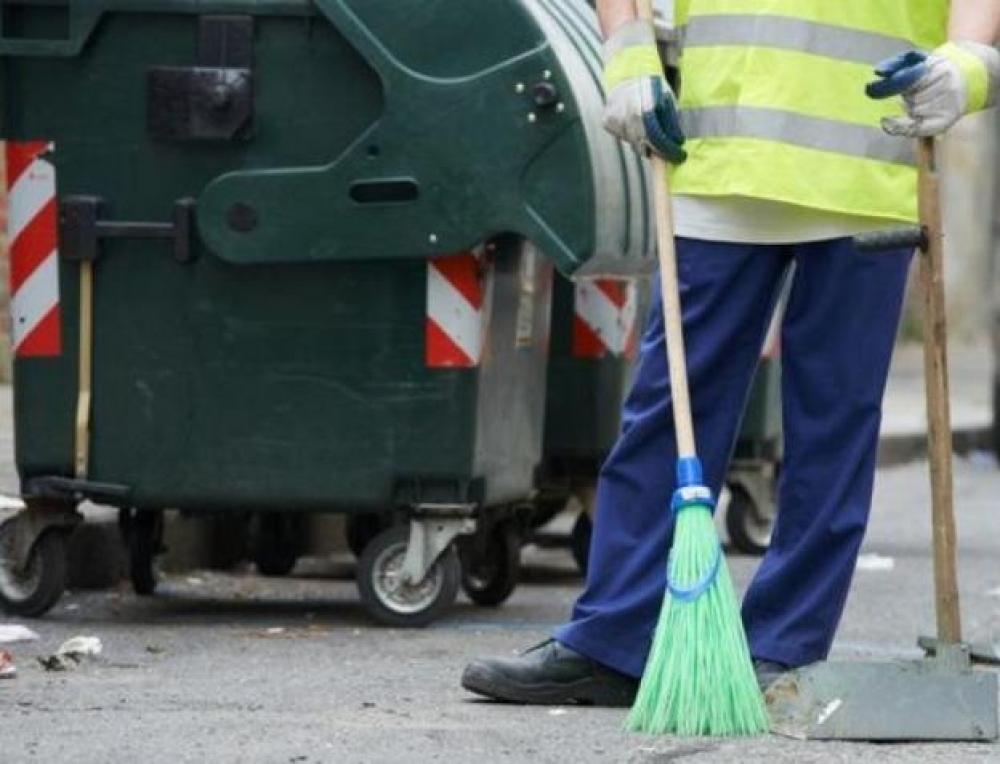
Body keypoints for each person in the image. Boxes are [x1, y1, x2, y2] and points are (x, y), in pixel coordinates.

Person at [461, 0, 1000, 706]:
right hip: (720, 157)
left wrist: (967, 61)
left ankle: (781, 648)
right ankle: (612, 641)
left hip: (868, 168)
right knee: (669, 408)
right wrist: (626, 56)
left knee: (832, 427)